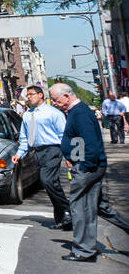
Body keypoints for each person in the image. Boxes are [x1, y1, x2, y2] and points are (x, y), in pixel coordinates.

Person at [51, 82, 129, 261]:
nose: (54, 103)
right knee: (101, 206)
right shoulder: (76, 112)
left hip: (87, 168)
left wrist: (82, 166)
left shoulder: (80, 113)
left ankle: (84, 249)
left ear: (66, 96)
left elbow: (90, 143)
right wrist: (72, 157)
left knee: (80, 207)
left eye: (55, 100)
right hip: (88, 166)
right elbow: (80, 140)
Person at [11, 83, 70, 229]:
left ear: (40, 95)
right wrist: (19, 154)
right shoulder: (27, 115)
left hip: (52, 150)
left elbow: (64, 135)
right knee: (51, 184)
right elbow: (25, 138)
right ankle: (62, 218)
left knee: (47, 180)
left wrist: (69, 155)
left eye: (31, 94)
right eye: (28, 95)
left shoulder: (53, 113)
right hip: (37, 152)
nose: (28, 97)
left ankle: (69, 210)